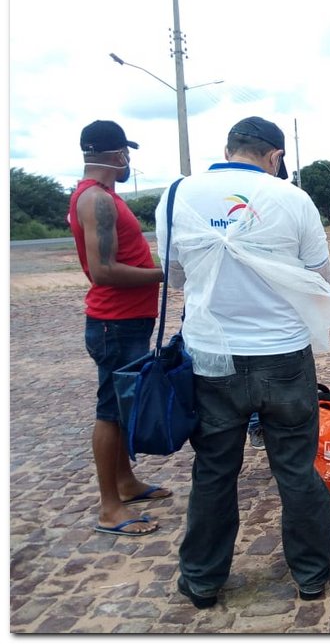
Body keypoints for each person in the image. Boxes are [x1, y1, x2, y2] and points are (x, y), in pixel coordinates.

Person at [157, 116, 330, 608]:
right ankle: (310, 575)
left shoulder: (177, 195)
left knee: (215, 470)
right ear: (275, 156)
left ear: (229, 146)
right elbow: (319, 277)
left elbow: (176, 277)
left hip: (210, 356)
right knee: (296, 468)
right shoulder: (293, 199)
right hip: (283, 354)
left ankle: (202, 580)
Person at [68, 120, 168, 538]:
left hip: (126, 321)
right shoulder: (96, 200)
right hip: (115, 323)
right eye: (126, 152)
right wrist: (163, 275)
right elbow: (104, 270)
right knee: (110, 411)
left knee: (122, 404)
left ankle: (125, 484)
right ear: (115, 155)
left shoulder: (102, 196)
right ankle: (109, 507)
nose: (129, 160)